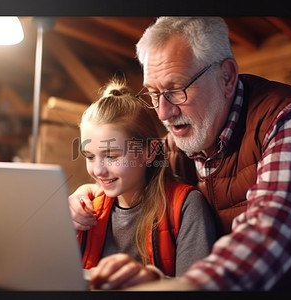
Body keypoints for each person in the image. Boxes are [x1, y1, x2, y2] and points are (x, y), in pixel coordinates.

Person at [69, 17, 291, 291]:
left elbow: (272, 232)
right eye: (153, 93)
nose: (164, 111)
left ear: (227, 77)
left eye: (177, 89)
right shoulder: (176, 143)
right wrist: (88, 194)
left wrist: (183, 287)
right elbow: (127, 166)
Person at [76, 78, 218, 290]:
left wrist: (153, 281)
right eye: (90, 156)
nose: (98, 170)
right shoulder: (86, 208)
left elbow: (197, 287)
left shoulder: (186, 206)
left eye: (112, 156)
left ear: (150, 152)